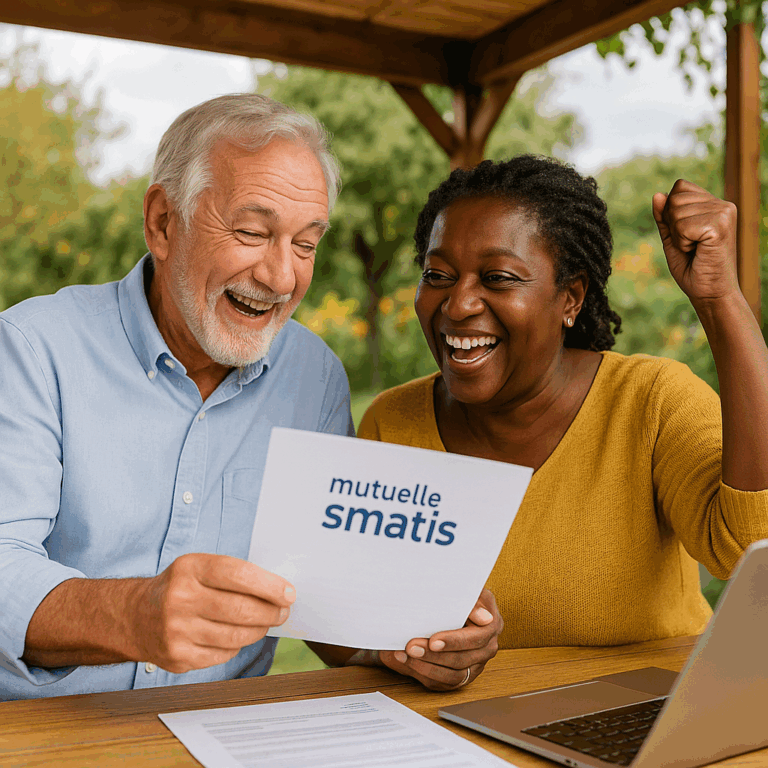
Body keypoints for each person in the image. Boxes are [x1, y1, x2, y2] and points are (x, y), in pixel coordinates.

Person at [0, 94, 500, 700]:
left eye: (306, 244)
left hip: (222, 732)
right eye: (252, 232)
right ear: (163, 222)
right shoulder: (30, 349)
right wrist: (135, 613)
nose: (281, 277)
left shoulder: (314, 376)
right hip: (42, 737)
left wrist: (405, 640)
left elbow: (319, 597)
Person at [358, 154, 768, 653]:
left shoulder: (652, 402)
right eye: (438, 275)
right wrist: (408, 657)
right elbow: (357, 620)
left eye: (499, 278)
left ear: (570, 298)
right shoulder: (392, 423)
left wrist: (719, 297)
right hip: (453, 728)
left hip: (645, 720)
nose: (458, 304)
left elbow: (747, 545)